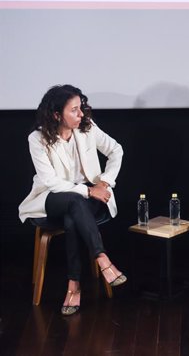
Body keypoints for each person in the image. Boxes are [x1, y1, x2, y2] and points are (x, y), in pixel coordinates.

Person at [19, 85, 126, 316]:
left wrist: (104, 183)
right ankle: (103, 259)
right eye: (74, 110)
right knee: (74, 202)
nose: (81, 115)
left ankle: (73, 284)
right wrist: (88, 192)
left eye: (81, 108)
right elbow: (51, 182)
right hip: (52, 197)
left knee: (72, 219)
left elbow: (116, 151)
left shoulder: (87, 128)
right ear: (57, 114)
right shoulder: (37, 139)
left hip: (87, 198)